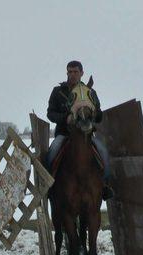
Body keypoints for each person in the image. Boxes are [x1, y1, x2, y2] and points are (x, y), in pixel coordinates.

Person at [46, 60, 113, 199]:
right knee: (52, 151)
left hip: (86, 136)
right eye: (69, 71)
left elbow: (99, 114)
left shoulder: (90, 92)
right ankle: (49, 185)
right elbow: (50, 113)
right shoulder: (58, 91)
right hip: (64, 134)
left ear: (82, 73)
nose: (72, 75)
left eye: (75, 71)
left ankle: (105, 185)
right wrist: (66, 118)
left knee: (103, 151)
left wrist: (94, 113)